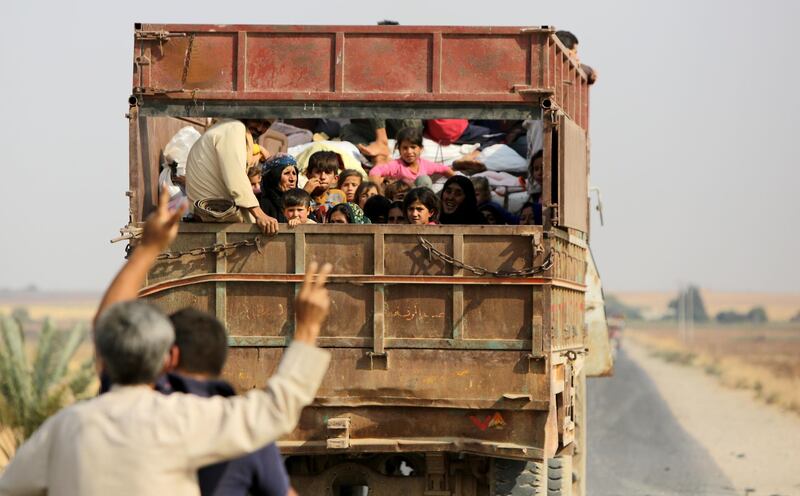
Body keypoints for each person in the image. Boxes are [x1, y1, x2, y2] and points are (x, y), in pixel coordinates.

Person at [0, 188, 333, 496]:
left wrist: (148, 249)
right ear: (166, 359)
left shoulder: (67, 428)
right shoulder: (183, 420)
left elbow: (12, 486)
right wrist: (305, 328)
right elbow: (277, 410)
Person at [164, 308, 296, 496]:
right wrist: (308, 329)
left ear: (171, 356)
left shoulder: (139, 417)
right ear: (221, 360)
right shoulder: (246, 428)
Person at [186, 119, 279, 233]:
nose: (259, 128)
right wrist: (259, 214)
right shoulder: (234, 128)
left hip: (211, 213)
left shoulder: (226, 127)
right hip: (215, 215)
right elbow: (236, 177)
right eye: (257, 120)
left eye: (266, 125)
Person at [368, 127, 455, 186]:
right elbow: (374, 172)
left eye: (413, 147)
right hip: (403, 203)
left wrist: (457, 182)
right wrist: (377, 191)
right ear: (399, 149)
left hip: (422, 204)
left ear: (421, 149)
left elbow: (444, 169)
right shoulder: (396, 165)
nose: (409, 152)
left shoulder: (425, 165)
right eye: (405, 148)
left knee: (424, 180)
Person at [340, 118, 423, 165]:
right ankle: (377, 156)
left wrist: (381, 140)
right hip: (378, 129)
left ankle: (381, 145)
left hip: (404, 121)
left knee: (375, 91)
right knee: (347, 129)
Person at [304, 151, 346, 222]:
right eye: (318, 172)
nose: (322, 177)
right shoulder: (302, 194)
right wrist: (305, 193)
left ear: (335, 178)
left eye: (327, 172)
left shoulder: (339, 196)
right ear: (308, 175)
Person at [259, 154, 300, 222]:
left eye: (294, 173)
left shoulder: (301, 201)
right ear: (274, 177)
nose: (292, 179)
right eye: (286, 173)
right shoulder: (261, 204)